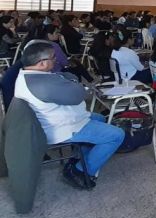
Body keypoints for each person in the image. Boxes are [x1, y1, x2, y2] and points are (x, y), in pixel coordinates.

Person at [14, 42, 125, 189]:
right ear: (41, 63)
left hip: (56, 118)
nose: (57, 60)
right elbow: (79, 94)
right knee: (117, 135)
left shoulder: (30, 75)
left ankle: (81, 158)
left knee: (100, 118)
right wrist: (74, 83)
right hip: (62, 127)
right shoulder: (43, 84)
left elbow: (66, 77)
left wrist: (69, 80)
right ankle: (78, 171)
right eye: (53, 58)